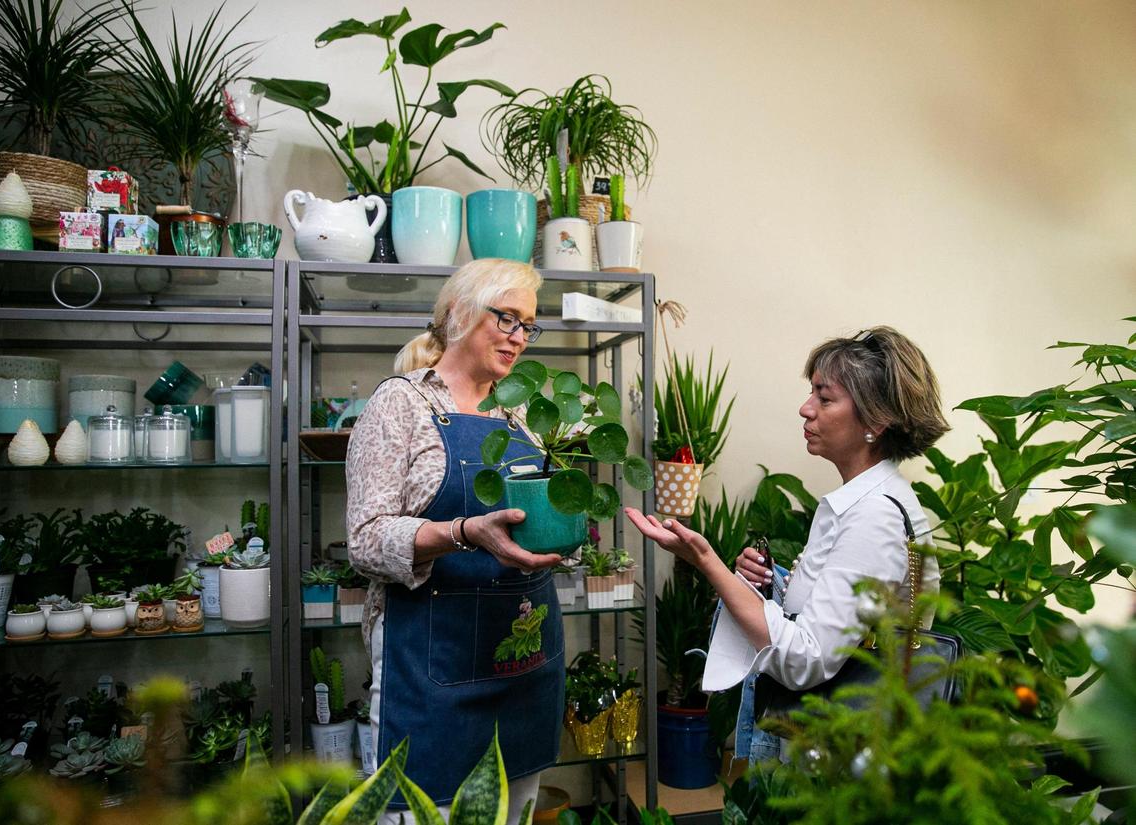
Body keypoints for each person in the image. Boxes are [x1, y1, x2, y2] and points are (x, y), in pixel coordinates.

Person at [627, 326, 950, 762]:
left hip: (838, 765)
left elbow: (807, 658)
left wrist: (707, 563)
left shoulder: (874, 515)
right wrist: (770, 584)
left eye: (825, 397)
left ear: (875, 420)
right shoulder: (865, 501)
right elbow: (841, 619)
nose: (806, 408)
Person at [345, 259, 564, 823]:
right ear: (460, 314)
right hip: (429, 665)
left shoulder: (518, 415)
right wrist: (464, 532)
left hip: (521, 658)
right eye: (508, 319)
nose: (520, 338)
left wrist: (565, 526)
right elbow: (366, 541)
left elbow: (532, 517)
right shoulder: (402, 404)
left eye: (528, 326)